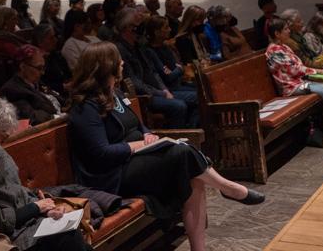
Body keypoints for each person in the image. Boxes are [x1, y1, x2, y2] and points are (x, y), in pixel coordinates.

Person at [67, 43, 263, 251]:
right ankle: (229, 188)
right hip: (114, 174)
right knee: (181, 153)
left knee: (190, 171)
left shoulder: (114, 93)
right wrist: (138, 144)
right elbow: (101, 154)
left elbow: (136, 123)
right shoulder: (85, 106)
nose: (123, 62)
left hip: (137, 159)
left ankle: (200, 247)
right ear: (107, 65)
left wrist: (148, 134)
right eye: (118, 59)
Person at [0, 93, 90, 251]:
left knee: (69, 231)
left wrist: (48, 210)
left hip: (34, 222)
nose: (2, 143)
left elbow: (19, 192)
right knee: (67, 238)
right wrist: (35, 208)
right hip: (12, 236)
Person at [114, 10, 194, 128]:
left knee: (198, 97)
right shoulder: (120, 49)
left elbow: (152, 72)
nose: (142, 28)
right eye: (139, 24)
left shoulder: (138, 47)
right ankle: (175, 140)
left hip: (154, 92)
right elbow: (134, 82)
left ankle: (192, 133)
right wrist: (161, 93)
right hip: (142, 96)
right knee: (179, 106)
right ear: (128, 27)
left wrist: (164, 90)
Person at [0, 45, 62, 126]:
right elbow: (32, 117)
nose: (43, 72)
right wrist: (57, 117)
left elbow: (58, 101)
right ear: (22, 67)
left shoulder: (35, 82)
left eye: (43, 67)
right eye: (39, 68)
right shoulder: (12, 89)